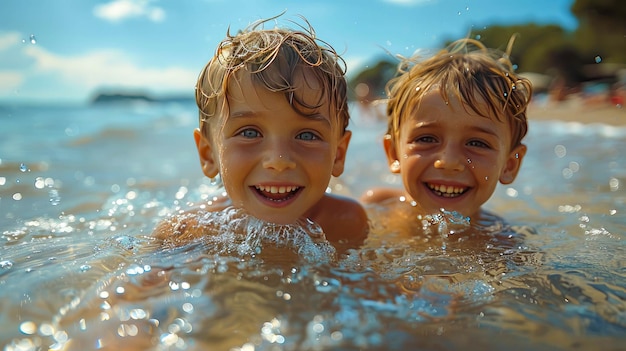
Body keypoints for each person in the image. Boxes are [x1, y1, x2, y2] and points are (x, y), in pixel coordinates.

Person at [153, 15, 368, 250]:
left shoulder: (346, 222)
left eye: (307, 135)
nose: (278, 161)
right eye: (249, 133)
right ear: (208, 154)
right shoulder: (186, 232)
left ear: (338, 154)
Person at [361, 38, 532, 228]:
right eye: (426, 139)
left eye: (477, 143)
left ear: (509, 165)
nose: (449, 162)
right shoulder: (376, 207)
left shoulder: (503, 243)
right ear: (393, 153)